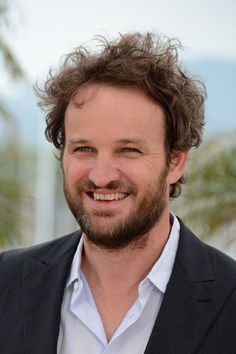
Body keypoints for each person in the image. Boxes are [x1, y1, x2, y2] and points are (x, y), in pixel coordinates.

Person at [0, 32, 235, 354]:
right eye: (84, 148)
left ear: (176, 162)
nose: (101, 175)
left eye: (128, 150)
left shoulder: (230, 297)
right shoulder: (6, 282)